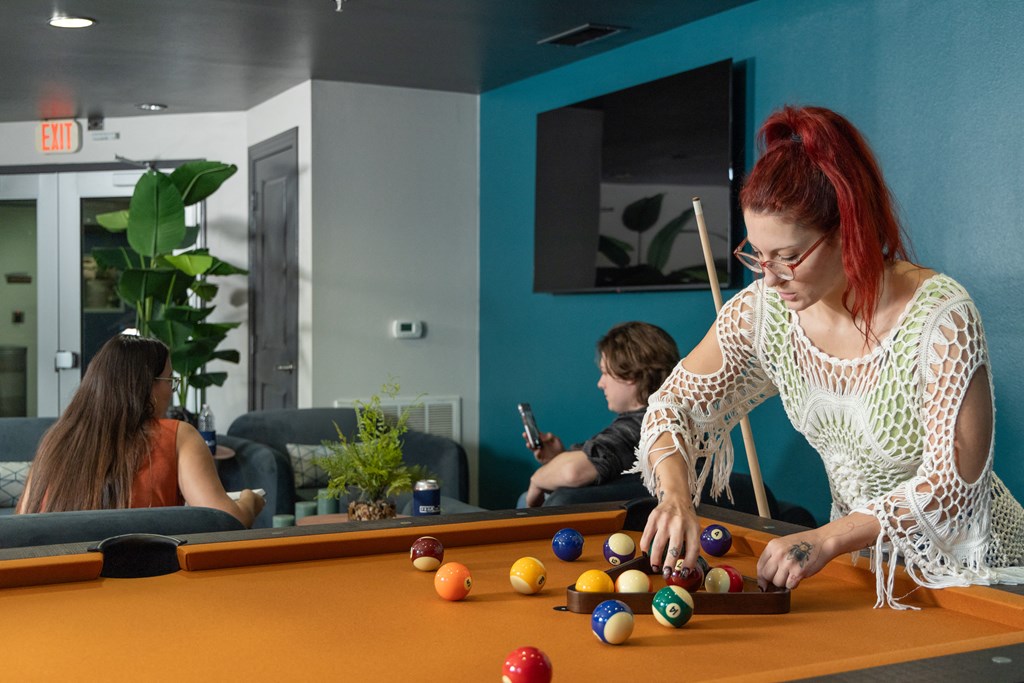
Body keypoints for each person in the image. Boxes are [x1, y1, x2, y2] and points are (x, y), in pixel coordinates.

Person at [632, 105, 1024, 608]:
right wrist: (675, 495)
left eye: (789, 257)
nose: (770, 278)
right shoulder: (764, 313)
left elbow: (952, 491)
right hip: (869, 573)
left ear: (849, 230)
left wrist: (827, 537)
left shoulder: (941, 318)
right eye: (757, 253)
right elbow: (673, 407)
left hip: (985, 580)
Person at [17, 333, 263, 528]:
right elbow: (227, 522)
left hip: (63, 582)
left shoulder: (56, 440)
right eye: (170, 380)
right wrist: (249, 501)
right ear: (145, 387)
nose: (172, 391)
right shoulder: (178, 436)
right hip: (150, 582)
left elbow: (25, 523)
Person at [523, 321, 679, 507]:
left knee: (522, 499)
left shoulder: (643, 424)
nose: (600, 383)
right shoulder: (671, 417)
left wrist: (536, 480)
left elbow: (572, 471)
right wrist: (557, 458)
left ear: (631, 375)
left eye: (605, 373)